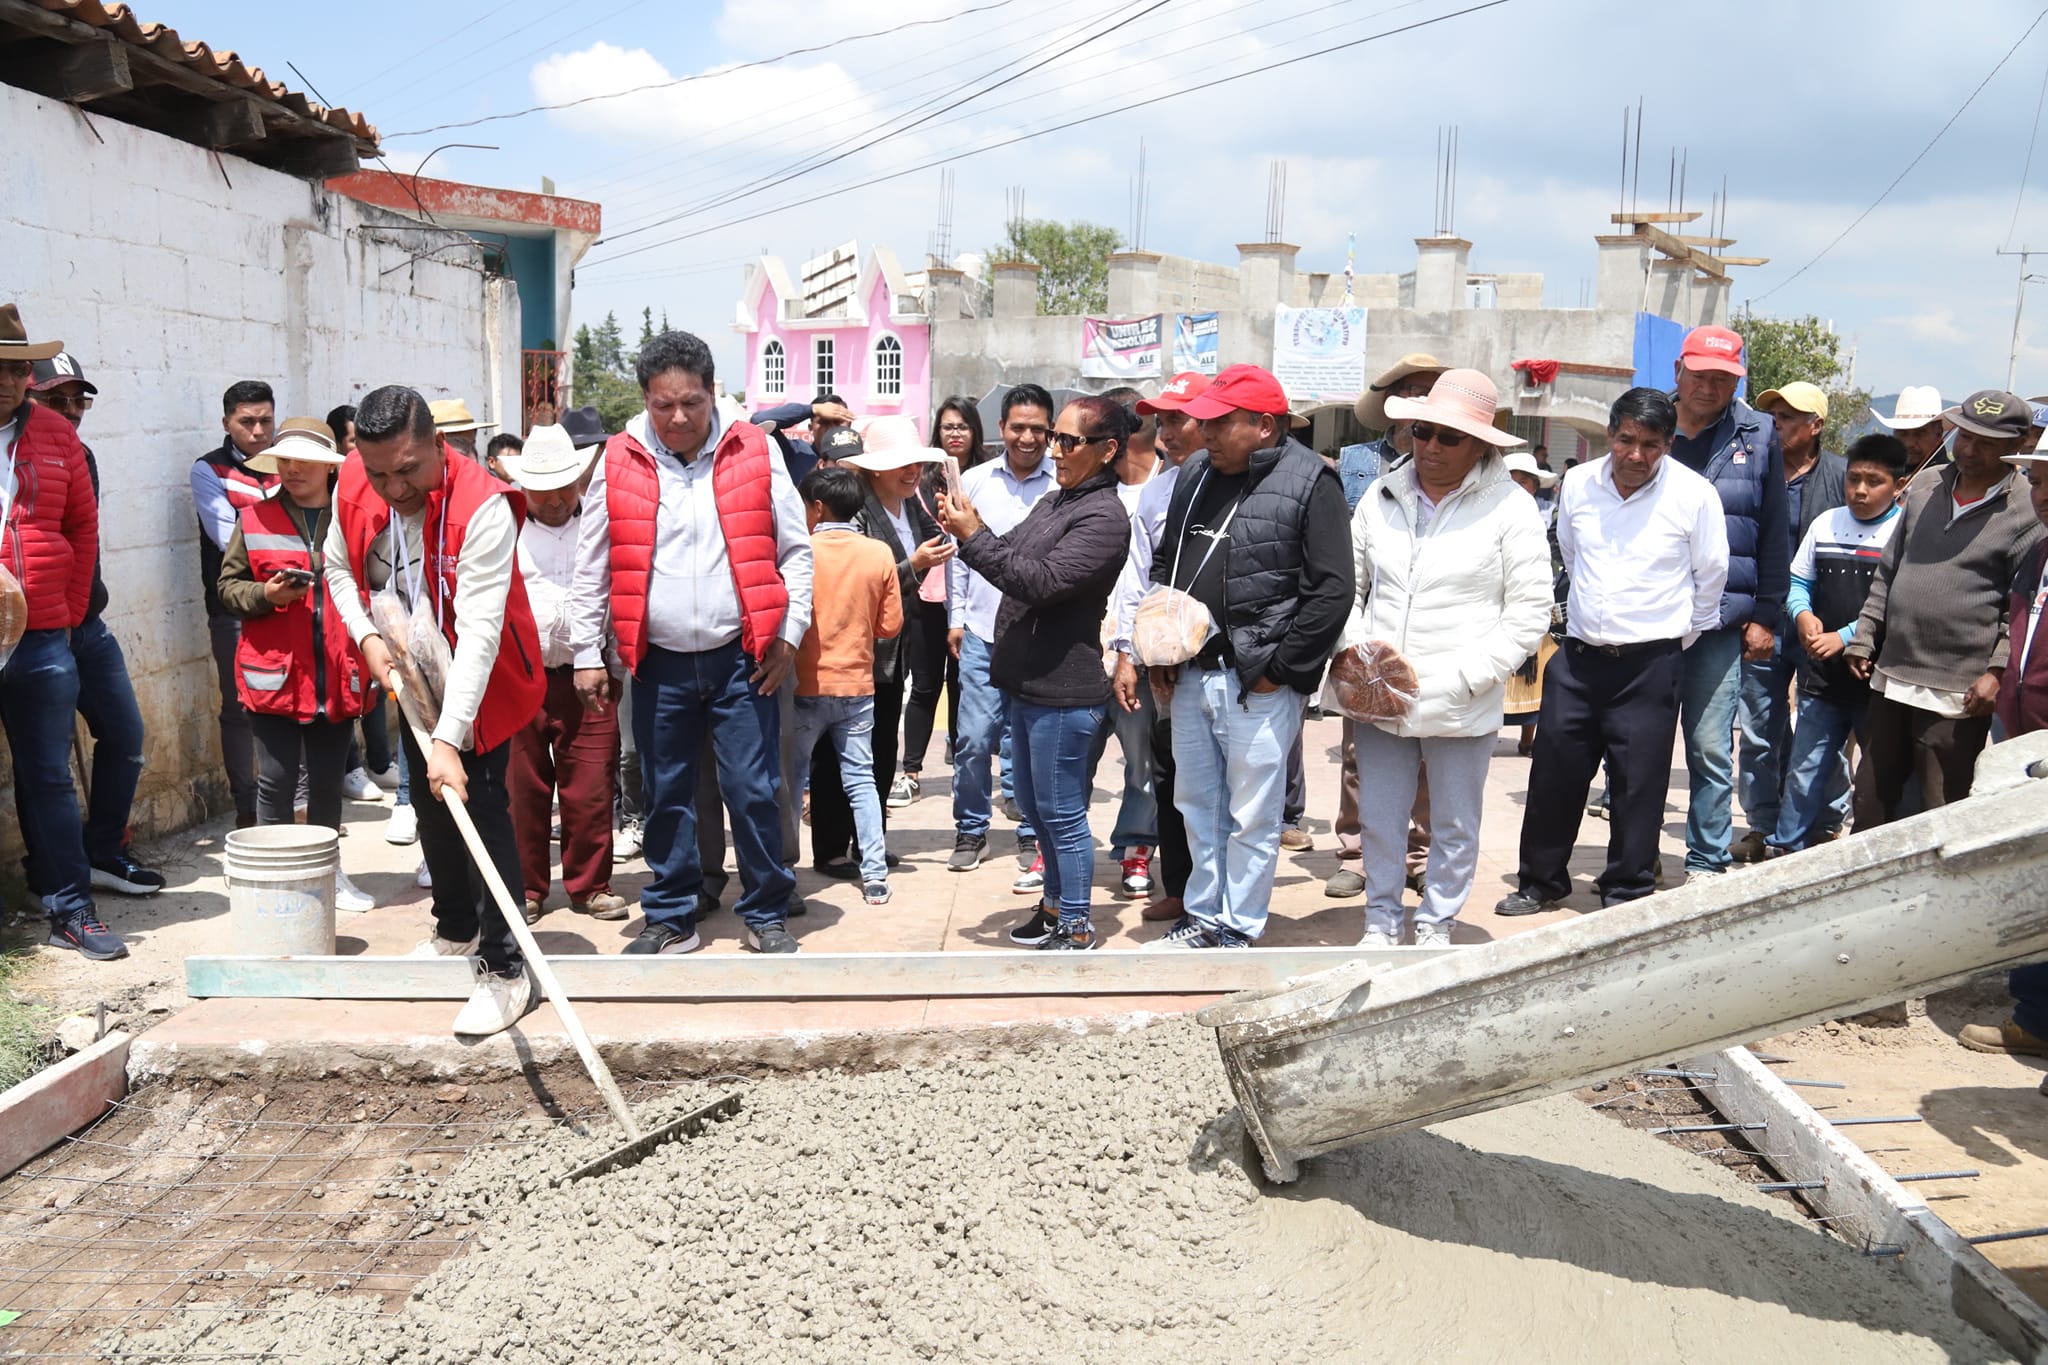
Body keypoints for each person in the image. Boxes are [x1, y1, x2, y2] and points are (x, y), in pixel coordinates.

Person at [570, 330, 813, 956]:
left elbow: (795, 551)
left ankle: (765, 909)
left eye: (691, 403)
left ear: (712, 394)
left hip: (743, 657)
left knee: (753, 788)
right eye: (663, 404)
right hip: (657, 663)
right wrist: (585, 653)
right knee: (665, 789)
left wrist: (788, 632)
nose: (678, 417)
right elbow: (591, 564)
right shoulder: (619, 461)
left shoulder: (756, 451)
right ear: (646, 400)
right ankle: (672, 912)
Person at [326, 385, 547, 1037]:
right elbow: (338, 569)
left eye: (407, 471)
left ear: (438, 448)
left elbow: (479, 633)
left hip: (485, 675)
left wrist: (451, 737)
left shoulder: (484, 507)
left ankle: (507, 969)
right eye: (378, 474)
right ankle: (454, 927)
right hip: (407, 659)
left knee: (480, 800)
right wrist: (365, 636)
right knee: (428, 803)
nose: (392, 489)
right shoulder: (353, 482)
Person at [1142, 364, 1354, 949]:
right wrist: (1162, 645)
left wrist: (1279, 673)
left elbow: (1332, 590)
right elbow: (1168, 566)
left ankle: (1238, 924)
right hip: (1192, 674)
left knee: (1253, 814)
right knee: (1198, 803)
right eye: (1204, 422)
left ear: (1264, 426)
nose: (1204, 433)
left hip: (1256, 681)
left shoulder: (1313, 481)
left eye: (1219, 423)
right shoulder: (1194, 476)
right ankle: (1204, 916)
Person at [1497, 388, 1728, 915]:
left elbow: (1710, 578)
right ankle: (1540, 882)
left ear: (1669, 444)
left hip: (1650, 666)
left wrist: (1668, 639)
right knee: (1555, 773)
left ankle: (1626, 888)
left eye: (1651, 444)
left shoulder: (1694, 495)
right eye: (1626, 440)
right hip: (1577, 660)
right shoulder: (1578, 483)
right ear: (1611, 434)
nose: (1636, 455)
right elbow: (1572, 558)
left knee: (1638, 785)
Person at [1344, 371, 1550, 947]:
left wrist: (1464, 679)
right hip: (1380, 693)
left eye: (1447, 437)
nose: (1430, 446)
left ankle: (1436, 922)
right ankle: (1381, 921)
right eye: (1421, 431)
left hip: (1461, 695)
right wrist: (1364, 661)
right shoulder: (1379, 496)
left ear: (1480, 444)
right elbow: (1350, 591)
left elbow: (1529, 613)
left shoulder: (1512, 509)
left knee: (1454, 825)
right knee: (1380, 819)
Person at [939, 396, 1131, 951]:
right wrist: (967, 529)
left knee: (1062, 813)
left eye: (1068, 441)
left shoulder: (1104, 517)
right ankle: (1052, 907)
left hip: (1063, 691)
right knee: (1038, 810)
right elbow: (1008, 555)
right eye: (1056, 438)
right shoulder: (1056, 500)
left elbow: (1040, 581)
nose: (1056, 450)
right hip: (1026, 683)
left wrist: (974, 537)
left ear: (1107, 450)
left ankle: (1075, 925)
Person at [1845, 389, 2046, 824]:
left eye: (1986, 443)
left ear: (2015, 447)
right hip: (1892, 676)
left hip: (1959, 691)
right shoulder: (1925, 486)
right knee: (1870, 803)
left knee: (1940, 811)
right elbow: (1890, 569)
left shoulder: (2024, 512)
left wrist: (1995, 672)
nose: (1969, 449)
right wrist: (1864, 636)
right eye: (1965, 436)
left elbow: (2020, 608)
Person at [215, 418, 376, 913]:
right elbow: (228, 589)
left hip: (338, 672)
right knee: (277, 782)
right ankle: (272, 882)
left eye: (304, 460)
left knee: (327, 784)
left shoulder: (354, 519)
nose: (292, 469)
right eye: (285, 460)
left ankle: (327, 878)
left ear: (330, 468)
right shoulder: (255, 519)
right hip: (275, 676)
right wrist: (266, 593)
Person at [0, 305, 121, 960]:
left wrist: (68, 612)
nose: (8, 380)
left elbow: (82, 527)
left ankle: (71, 909)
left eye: (18, 367)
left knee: (48, 774)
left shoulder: (55, 435)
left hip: (43, 636)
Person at [28, 352, 163, 896]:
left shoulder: (80, 454)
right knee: (49, 761)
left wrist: (79, 609)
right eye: (54, 398)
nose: (69, 411)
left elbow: (83, 540)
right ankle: (47, 877)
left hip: (86, 623)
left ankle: (104, 848)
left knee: (126, 734)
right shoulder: (11, 456)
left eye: (76, 400)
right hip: (33, 630)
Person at [1666, 325, 1790, 884]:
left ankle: (1705, 860)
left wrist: (1766, 614)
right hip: (1647, 618)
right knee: (1636, 747)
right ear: (1678, 372)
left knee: (1711, 746)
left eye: (1723, 379)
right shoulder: (1648, 424)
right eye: (1700, 375)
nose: (1710, 388)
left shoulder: (1759, 434)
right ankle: (1636, 852)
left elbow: (1772, 535)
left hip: (1719, 620)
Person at [496, 423, 628, 926]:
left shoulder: (600, 524)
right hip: (519, 678)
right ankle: (527, 887)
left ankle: (590, 885)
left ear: (579, 483)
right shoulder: (505, 529)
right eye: (541, 491)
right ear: (523, 487)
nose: (552, 501)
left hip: (591, 675)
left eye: (562, 490)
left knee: (590, 787)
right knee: (522, 789)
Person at [1327, 354, 1444, 900]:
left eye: (1430, 391)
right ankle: (1357, 852)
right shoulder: (1355, 463)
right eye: (1411, 392)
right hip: (1367, 626)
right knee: (1359, 749)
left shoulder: (1459, 462)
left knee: (1426, 745)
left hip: (1433, 624)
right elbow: (1341, 553)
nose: (1419, 402)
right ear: (1392, 402)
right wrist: (1348, 635)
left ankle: (1418, 852)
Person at [813, 416, 951, 876]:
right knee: (838, 755)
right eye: (900, 465)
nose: (911, 472)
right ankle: (832, 846)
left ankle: (868, 839)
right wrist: (913, 565)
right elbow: (860, 578)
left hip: (896, 649)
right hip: (854, 651)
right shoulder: (855, 512)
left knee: (881, 748)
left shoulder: (913, 507)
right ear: (872, 470)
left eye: (914, 463)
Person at [1764, 434, 1907, 855]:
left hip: (1875, 679)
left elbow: (1897, 601)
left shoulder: (1903, 530)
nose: (1860, 490)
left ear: (1898, 486)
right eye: (1854, 478)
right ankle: (1786, 847)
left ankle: (1867, 852)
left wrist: (1843, 637)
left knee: (1875, 774)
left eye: (1874, 481)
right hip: (1822, 678)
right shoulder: (1826, 523)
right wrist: (1803, 617)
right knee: (1805, 768)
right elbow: (1797, 582)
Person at [1957, 444, 2048, 1058]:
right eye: (2038, 480)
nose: (2041, 493)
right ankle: (2035, 1013)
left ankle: (2037, 1019)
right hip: (2026, 741)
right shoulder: (2039, 550)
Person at [1110, 372, 1211, 920]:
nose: (1167, 432)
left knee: (1220, 780)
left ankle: (1223, 900)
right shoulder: (1155, 493)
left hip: (1225, 662)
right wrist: (1130, 651)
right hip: (1164, 662)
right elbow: (1137, 581)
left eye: (1179, 419)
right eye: (1162, 420)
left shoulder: (1233, 484)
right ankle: (1179, 887)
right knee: (1170, 772)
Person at [1736, 381, 1848, 862]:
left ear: (1816, 426)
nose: (1776, 424)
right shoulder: (1756, 471)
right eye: (1773, 415)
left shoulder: (1845, 476)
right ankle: (1763, 823)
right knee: (1760, 728)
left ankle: (1824, 821)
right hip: (1765, 622)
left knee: (1823, 727)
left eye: (1788, 417)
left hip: (1822, 625)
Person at [946, 384, 1055, 875]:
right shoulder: (974, 481)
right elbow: (960, 556)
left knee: (1028, 741)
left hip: (1038, 634)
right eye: (1018, 427)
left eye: (1037, 429)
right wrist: (955, 617)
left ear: (1049, 431)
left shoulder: (1064, 485)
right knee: (972, 736)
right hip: (981, 631)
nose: (1027, 437)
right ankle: (971, 830)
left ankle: (1031, 833)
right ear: (1001, 429)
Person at [792, 465, 905, 905]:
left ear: (817, 508)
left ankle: (782, 872)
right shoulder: (877, 554)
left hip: (804, 684)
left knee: (790, 780)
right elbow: (890, 626)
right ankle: (874, 873)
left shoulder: (800, 549)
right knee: (861, 780)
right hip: (858, 684)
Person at [191, 379, 279, 828]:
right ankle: (248, 809)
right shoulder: (209, 471)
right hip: (234, 609)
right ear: (226, 422)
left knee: (291, 706)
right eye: (247, 421)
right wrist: (287, 557)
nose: (258, 430)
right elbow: (229, 542)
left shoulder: (290, 464)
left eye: (266, 419)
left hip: (291, 604)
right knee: (239, 709)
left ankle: (290, 807)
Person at [892, 396, 986, 806]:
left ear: (975, 431)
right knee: (925, 685)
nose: (954, 433)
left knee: (966, 686)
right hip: (930, 595)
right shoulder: (922, 479)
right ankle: (910, 770)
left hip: (977, 595)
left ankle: (963, 768)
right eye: (948, 426)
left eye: (962, 426)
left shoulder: (987, 474)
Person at [1500, 450, 1564, 755]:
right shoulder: (1490, 511)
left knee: (1534, 674)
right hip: (1498, 600)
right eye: (1512, 479)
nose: (1517, 486)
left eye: (1524, 480)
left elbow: (1556, 553)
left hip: (1539, 597)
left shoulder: (1549, 515)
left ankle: (1528, 739)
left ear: (1534, 484)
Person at [753, 393, 855, 483]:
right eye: (824, 422)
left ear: (849, 425)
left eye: (838, 422)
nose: (831, 428)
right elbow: (758, 420)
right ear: (811, 428)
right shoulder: (795, 452)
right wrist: (812, 409)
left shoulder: (858, 461)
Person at [1872, 386, 1950, 487]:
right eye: (1903, 433)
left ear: (1938, 432)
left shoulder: (1951, 481)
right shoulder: (1883, 473)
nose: (1909, 443)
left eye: (1920, 433)